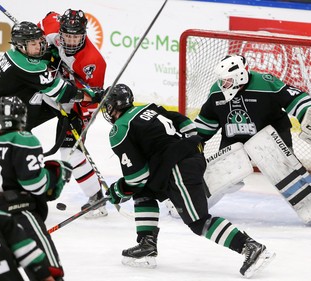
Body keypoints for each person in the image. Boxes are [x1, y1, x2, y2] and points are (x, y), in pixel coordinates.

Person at [102, 84, 275, 278]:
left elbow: (137, 177)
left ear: (112, 106)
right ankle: (146, 244)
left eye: (106, 105)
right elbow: (181, 119)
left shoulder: (119, 130)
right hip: (179, 160)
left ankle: (250, 247)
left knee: (198, 222)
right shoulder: (148, 108)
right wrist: (192, 142)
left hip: (178, 166)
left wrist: (118, 191)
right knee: (145, 191)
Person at [0, 96, 73, 281]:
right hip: (19, 214)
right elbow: (35, 184)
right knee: (49, 272)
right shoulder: (24, 138)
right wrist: (56, 175)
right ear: (23, 117)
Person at [194, 54, 311, 204]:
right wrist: (192, 142)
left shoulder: (265, 83)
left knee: (283, 168)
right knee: (221, 173)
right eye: (223, 80)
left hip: (271, 136)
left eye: (228, 80)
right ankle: (192, 204)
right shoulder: (216, 91)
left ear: (240, 76)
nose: (224, 84)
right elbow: (206, 123)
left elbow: (297, 100)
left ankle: (307, 202)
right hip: (234, 139)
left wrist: (308, 112)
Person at [38, 9, 108, 218]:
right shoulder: (52, 27)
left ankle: (97, 199)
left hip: (74, 103)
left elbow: (92, 99)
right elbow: (47, 17)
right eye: (66, 36)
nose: (70, 41)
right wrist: (46, 49)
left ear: (84, 34)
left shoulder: (93, 62)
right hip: (48, 90)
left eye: (75, 37)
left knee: (70, 151)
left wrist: (81, 123)